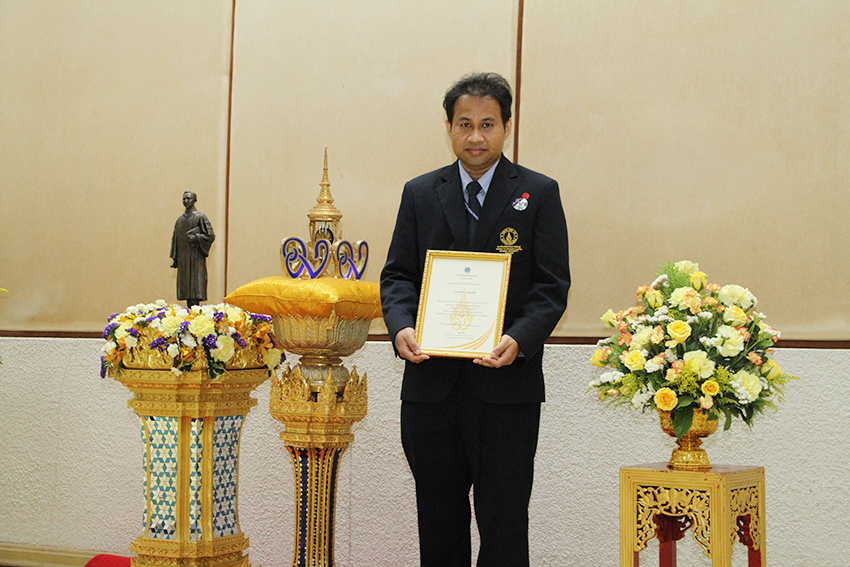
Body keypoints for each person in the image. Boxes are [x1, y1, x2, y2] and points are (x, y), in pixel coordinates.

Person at [380, 72, 570, 567]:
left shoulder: (538, 193)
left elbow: (551, 287)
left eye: (488, 124)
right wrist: (401, 326)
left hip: (506, 389)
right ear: (448, 127)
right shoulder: (420, 193)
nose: (476, 136)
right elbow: (397, 276)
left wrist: (518, 338)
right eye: (464, 124)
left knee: (504, 524)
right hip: (431, 389)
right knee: (438, 522)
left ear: (506, 126)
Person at [170, 191, 215, 308]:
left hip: (195, 259)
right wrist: (175, 257)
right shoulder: (180, 220)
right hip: (183, 258)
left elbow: (210, 235)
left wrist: (196, 237)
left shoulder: (200, 217)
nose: (186, 201)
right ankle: (189, 310)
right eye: (184, 198)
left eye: (189, 198)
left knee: (195, 288)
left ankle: (194, 310)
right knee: (185, 288)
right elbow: (175, 239)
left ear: (195, 200)